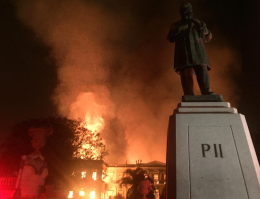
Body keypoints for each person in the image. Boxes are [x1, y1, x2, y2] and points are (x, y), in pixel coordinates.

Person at [167, 2, 215, 95]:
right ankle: (189, 94)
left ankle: (206, 91)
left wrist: (205, 31)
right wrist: (179, 30)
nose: (187, 12)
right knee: (186, 72)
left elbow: (208, 37)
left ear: (191, 11)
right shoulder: (176, 25)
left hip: (198, 52)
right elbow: (170, 38)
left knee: (202, 70)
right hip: (184, 52)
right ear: (181, 12)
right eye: (184, 10)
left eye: (188, 10)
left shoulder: (198, 23)